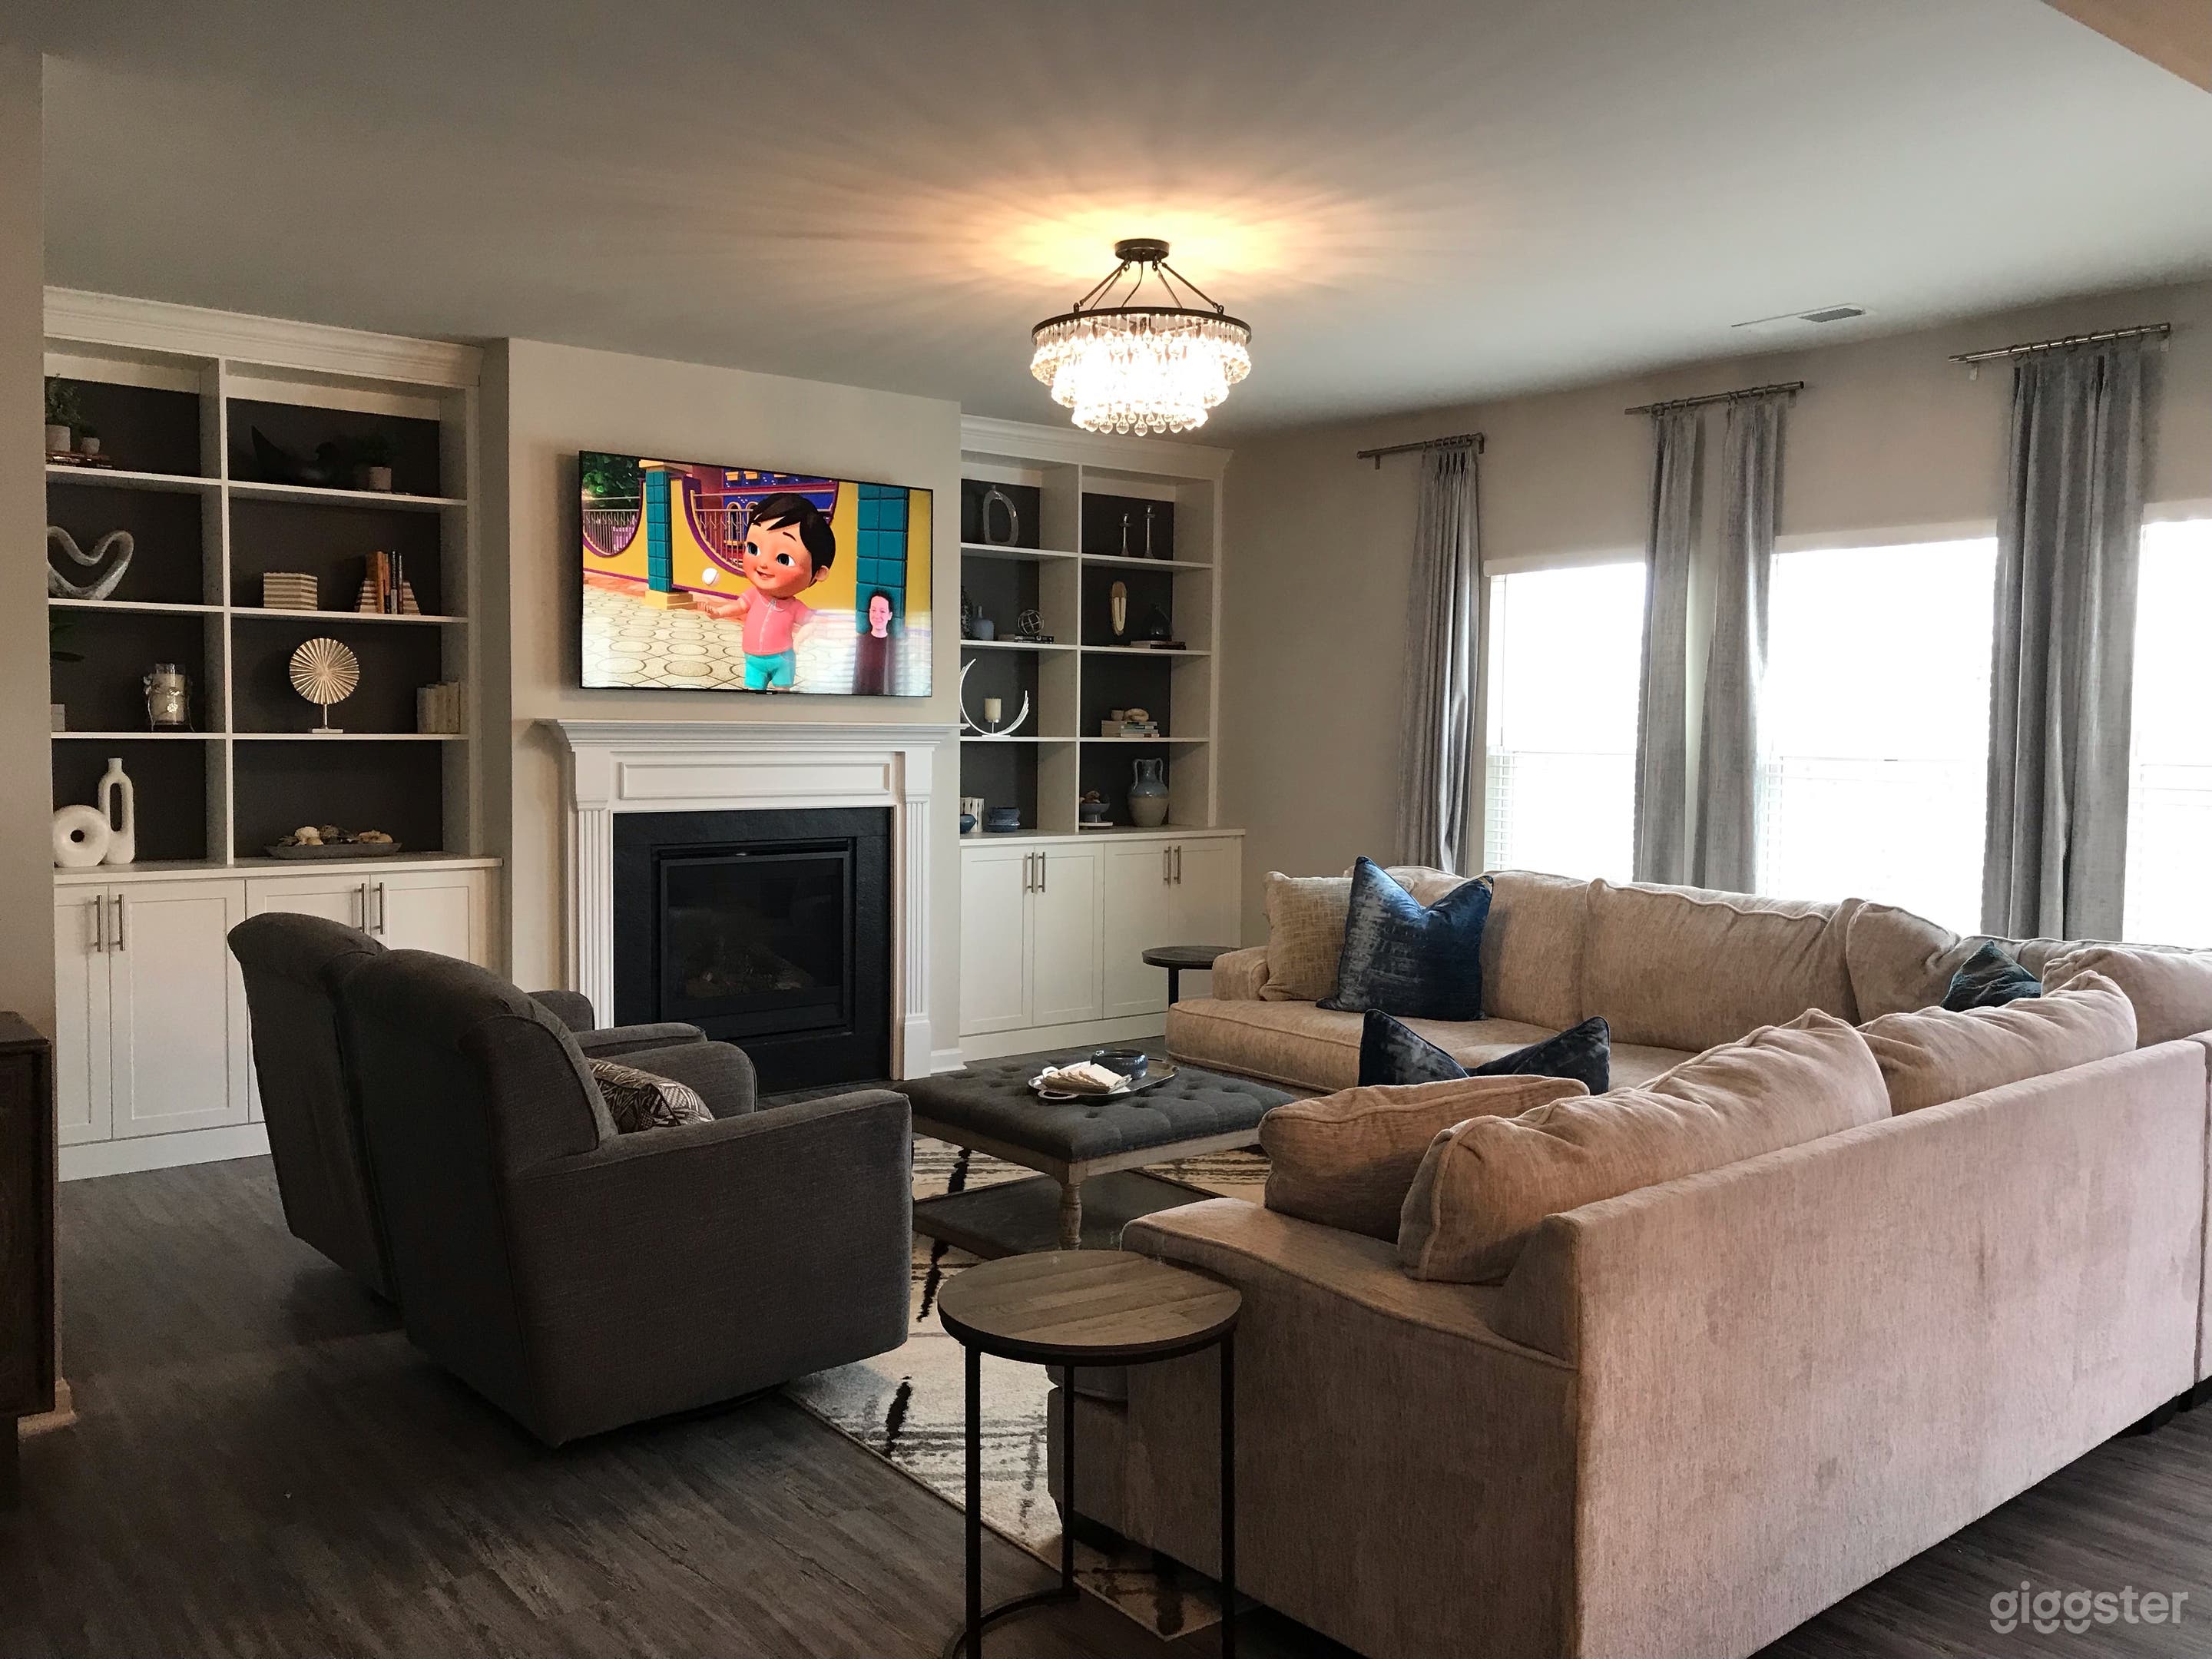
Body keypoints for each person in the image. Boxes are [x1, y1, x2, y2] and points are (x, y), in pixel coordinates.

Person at [733, 492, 835, 690]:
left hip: (783, 659)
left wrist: (802, 637)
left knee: (782, 701)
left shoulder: (795, 606)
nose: (763, 563)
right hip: (753, 659)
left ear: (819, 573)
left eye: (783, 559)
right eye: (753, 548)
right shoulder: (755, 595)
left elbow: (812, 621)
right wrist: (718, 612)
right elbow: (739, 606)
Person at [852, 588, 897, 696]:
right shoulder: (859, 643)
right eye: (873, 610)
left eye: (882, 611)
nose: (877, 616)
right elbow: (856, 681)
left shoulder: (896, 645)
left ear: (890, 615)